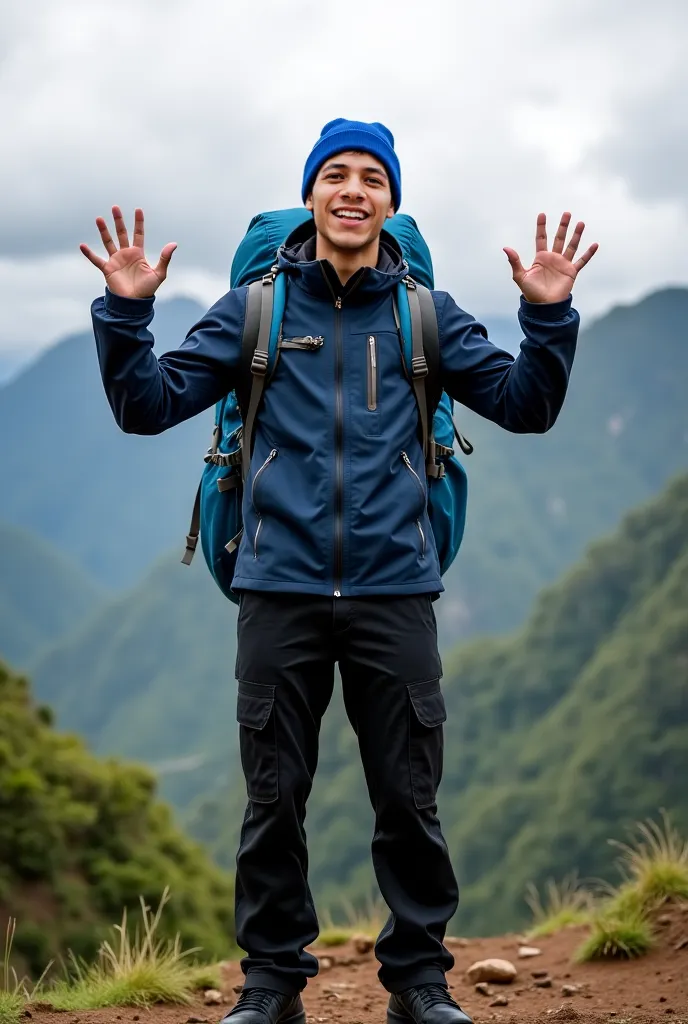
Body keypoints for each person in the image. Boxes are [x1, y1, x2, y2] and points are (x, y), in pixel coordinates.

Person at [82, 118, 597, 1024]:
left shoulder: (424, 315)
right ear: (311, 195)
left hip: (396, 587)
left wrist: (548, 317)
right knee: (273, 800)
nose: (353, 191)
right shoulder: (256, 310)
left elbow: (527, 406)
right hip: (276, 587)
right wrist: (126, 312)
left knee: (410, 797)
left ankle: (419, 985)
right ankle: (272, 986)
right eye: (336, 176)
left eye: (372, 179)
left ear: (392, 204)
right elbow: (145, 405)